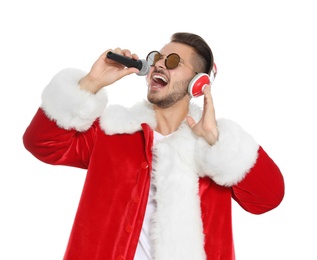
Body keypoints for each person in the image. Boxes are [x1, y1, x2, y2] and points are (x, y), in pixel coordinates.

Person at [23, 32, 285, 260]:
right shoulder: (113, 131)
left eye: (172, 62)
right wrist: (92, 82)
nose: (159, 65)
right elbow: (41, 143)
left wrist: (217, 141)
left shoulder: (212, 150)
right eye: (157, 58)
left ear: (198, 83)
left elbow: (268, 198)